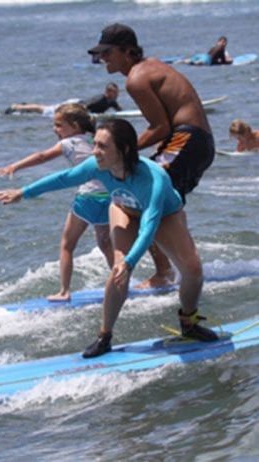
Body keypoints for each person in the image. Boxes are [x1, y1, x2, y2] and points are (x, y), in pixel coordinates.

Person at [0, 119, 219, 357]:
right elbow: (64, 178)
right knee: (119, 270)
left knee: (192, 270)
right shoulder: (96, 165)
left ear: (124, 149)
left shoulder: (153, 177)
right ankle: (104, 337)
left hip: (165, 215)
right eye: (95, 144)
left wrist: (132, 260)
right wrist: (23, 193)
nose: (95, 151)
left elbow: (149, 225)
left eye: (102, 146)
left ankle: (189, 323)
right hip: (123, 209)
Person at [88, 23, 215, 289]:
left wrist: (122, 150)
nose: (103, 58)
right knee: (158, 200)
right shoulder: (150, 66)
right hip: (195, 142)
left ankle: (165, 271)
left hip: (186, 140)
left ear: (128, 51)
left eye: (108, 52)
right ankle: (180, 266)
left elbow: (160, 127)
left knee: (141, 194)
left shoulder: (136, 79)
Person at [0, 103, 113, 301]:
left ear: (75, 126)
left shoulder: (70, 143)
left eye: (59, 125)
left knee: (67, 245)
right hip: (108, 197)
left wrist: (16, 166)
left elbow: (42, 156)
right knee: (105, 244)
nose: (55, 129)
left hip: (86, 199)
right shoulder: (95, 140)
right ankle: (119, 280)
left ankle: (64, 292)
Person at [5, 82, 122, 116]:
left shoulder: (112, 102)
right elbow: (83, 107)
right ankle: (17, 107)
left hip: (77, 104)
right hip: (73, 105)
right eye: (114, 92)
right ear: (107, 92)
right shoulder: (101, 99)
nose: (116, 95)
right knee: (44, 110)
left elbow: (120, 112)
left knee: (44, 109)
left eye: (117, 92)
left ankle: (25, 107)